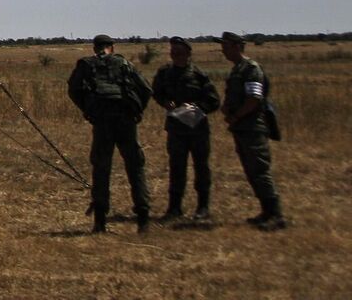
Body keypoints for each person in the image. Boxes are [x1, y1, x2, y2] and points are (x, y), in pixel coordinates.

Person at [68, 34, 153, 233]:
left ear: (94, 48)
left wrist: (89, 111)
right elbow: (146, 88)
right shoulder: (124, 63)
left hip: (102, 121)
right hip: (126, 119)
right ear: (112, 47)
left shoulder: (86, 65)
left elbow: (73, 89)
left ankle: (100, 221)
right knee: (135, 166)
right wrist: (137, 110)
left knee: (101, 168)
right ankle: (143, 217)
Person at [219, 31, 286, 230]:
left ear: (237, 46)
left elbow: (254, 99)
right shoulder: (237, 69)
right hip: (241, 128)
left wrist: (236, 115)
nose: (223, 50)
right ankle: (266, 211)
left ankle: (276, 215)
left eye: (226, 46)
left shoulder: (251, 69)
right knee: (251, 170)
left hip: (252, 127)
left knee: (260, 170)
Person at [151, 36, 218, 222]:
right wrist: (166, 103)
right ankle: (174, 208)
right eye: (173, 52)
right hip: (176, 129)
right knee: (176, 167)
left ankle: (203, 207)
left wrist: (196, 109)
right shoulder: (164, 73)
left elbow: (214, 101)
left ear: (188, 54)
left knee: (201, 167)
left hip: (198, 128)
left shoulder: (199, 74)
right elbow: (156, 93)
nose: (176, 56)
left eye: (180, 52)